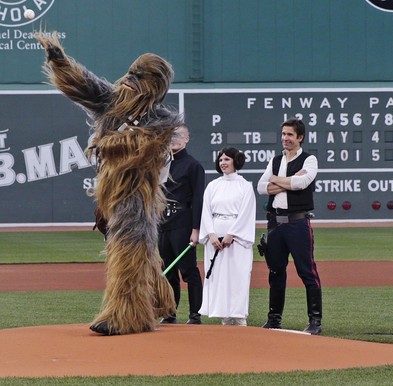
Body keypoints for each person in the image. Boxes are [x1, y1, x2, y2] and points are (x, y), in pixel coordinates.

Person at [35, 32, 177, 335]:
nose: (129, 78)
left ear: (154, 87)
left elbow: (141, 147)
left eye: (139, 77)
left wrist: (106, 142)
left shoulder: (162, 120)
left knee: (129, 251)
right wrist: (60, 61)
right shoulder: (112, 101)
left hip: (137, 193)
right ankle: (157, 303)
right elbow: (84, 84)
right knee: (140, 250)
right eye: (131, 72)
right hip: (111, 192)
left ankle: (122, 316)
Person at [257, 117, 323, 335]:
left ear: (300, 137)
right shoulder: (275, 160)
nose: (285, 138)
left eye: (290, 135)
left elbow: (300, 183)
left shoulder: (309, 160)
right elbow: (261, 187)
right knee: (275, 271)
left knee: (307, 271)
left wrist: (277, 181)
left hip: (298, 222)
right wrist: (287, 180)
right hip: (276, 223)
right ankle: (274, 319)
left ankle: (315, 321)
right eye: (283, 134)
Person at [198, 147, 256, 326]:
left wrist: (232, 234)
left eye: (227, 159)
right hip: (215, 239)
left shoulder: (245, 186)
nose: (223, 163)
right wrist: (212, 234)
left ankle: (238, 315)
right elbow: (206, 212)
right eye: (221, 159)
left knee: (238, 275)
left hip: (236, 241)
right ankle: (224, 315)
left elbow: (247, 212)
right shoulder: (213, 186)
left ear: (236, 161)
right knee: (219, 276)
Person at [158, 125, 205, 325]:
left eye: (179, 136)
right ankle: (170, 313)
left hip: (183, 224)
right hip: (163, 224)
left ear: (187, 139)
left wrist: (196, 230)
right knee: (168, 271)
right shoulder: (161, 165)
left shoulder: (193, 166)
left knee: (188, 271)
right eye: (172, 136)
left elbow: (198, 199)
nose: (175, 139)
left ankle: (195, 314)